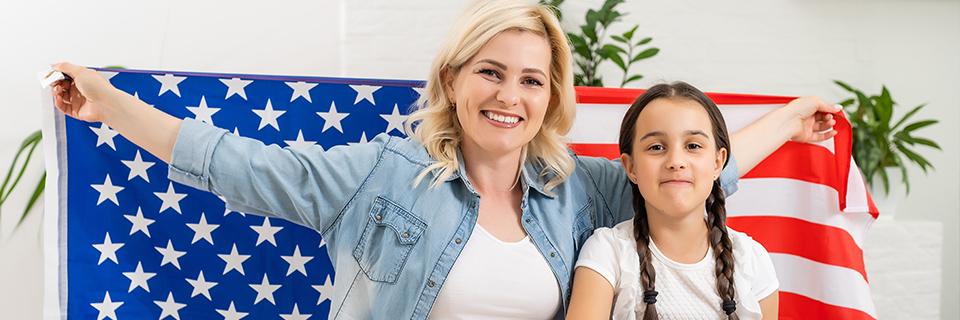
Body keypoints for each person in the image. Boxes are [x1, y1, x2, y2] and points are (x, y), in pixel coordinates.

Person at [50, 1, 836, 318]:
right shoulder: (381, 174)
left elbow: (686, 177)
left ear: (549, 94)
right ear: (455, 80)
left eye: (531, 79)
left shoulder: (577, 191)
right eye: (491, 71)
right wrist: (109, 104)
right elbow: (242, 165)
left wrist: (788, 122)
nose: (509, 95)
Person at [567, 82, 779, 320]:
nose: (676, 161)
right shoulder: (607, 253)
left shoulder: (752, 260)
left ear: (718, 163)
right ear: (630, 167)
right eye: (656, 147)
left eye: (693, 146)